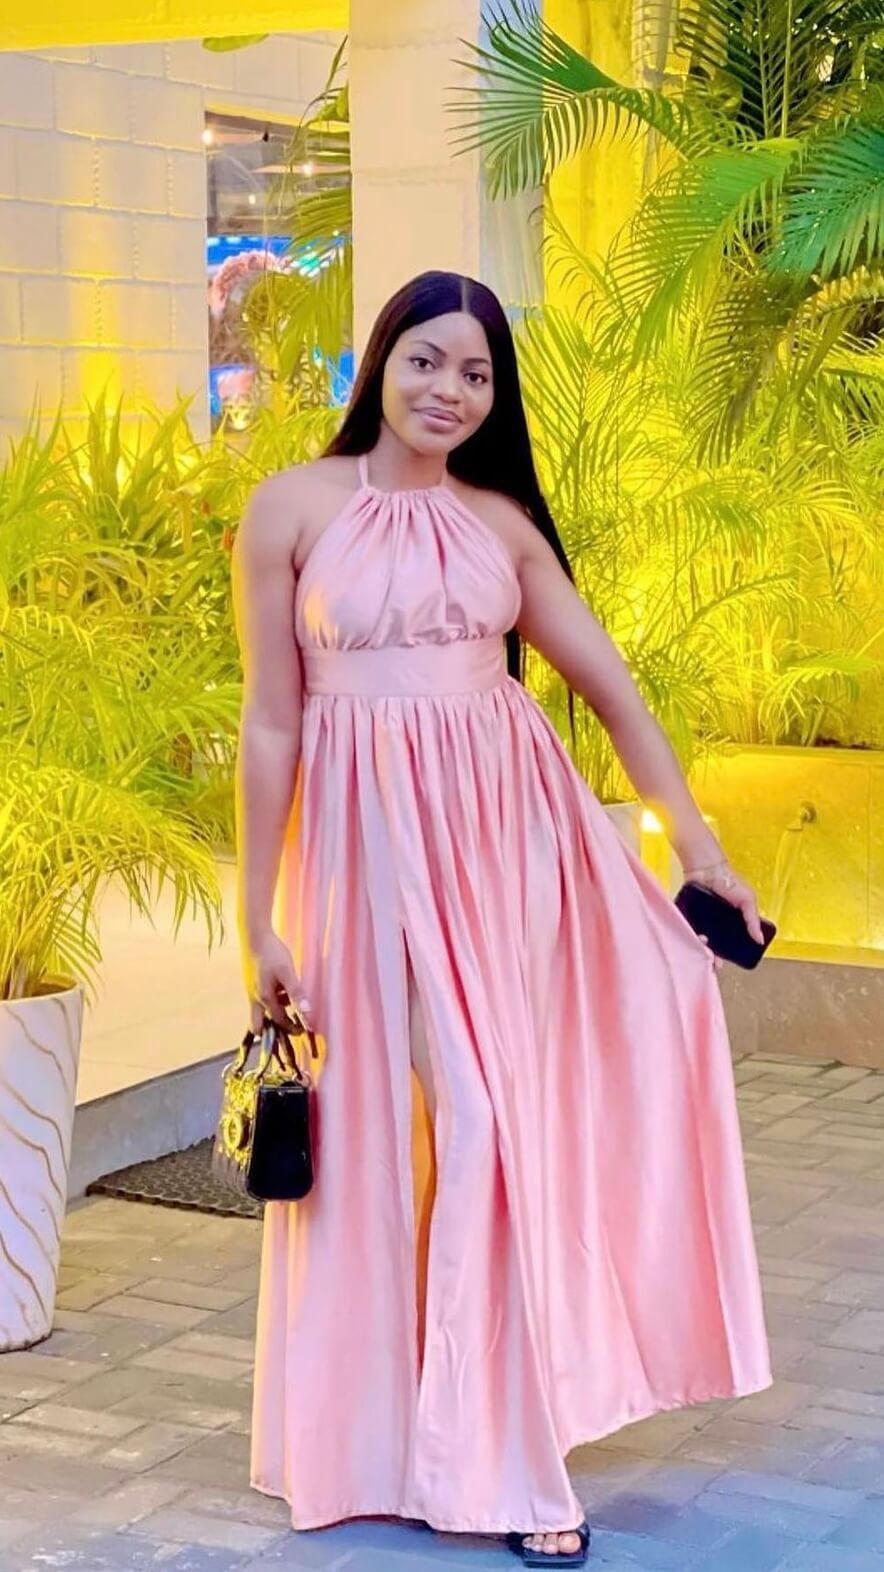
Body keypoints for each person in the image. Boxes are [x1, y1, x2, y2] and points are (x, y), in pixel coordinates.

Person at [231, 269, 773, 1566]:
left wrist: (700, 851)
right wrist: (255, 920)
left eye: (475, 373)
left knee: (482, 1121)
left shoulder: (501, 527)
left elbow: (614, 693)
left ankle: (507, 1458)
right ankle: (383, 1439)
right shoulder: (291, 507)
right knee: (387, 1139)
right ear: (382, 360)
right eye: (427, 360)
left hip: (502, 853)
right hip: (357, 858)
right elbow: (270, 723)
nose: (448, 390)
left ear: (494, 394)